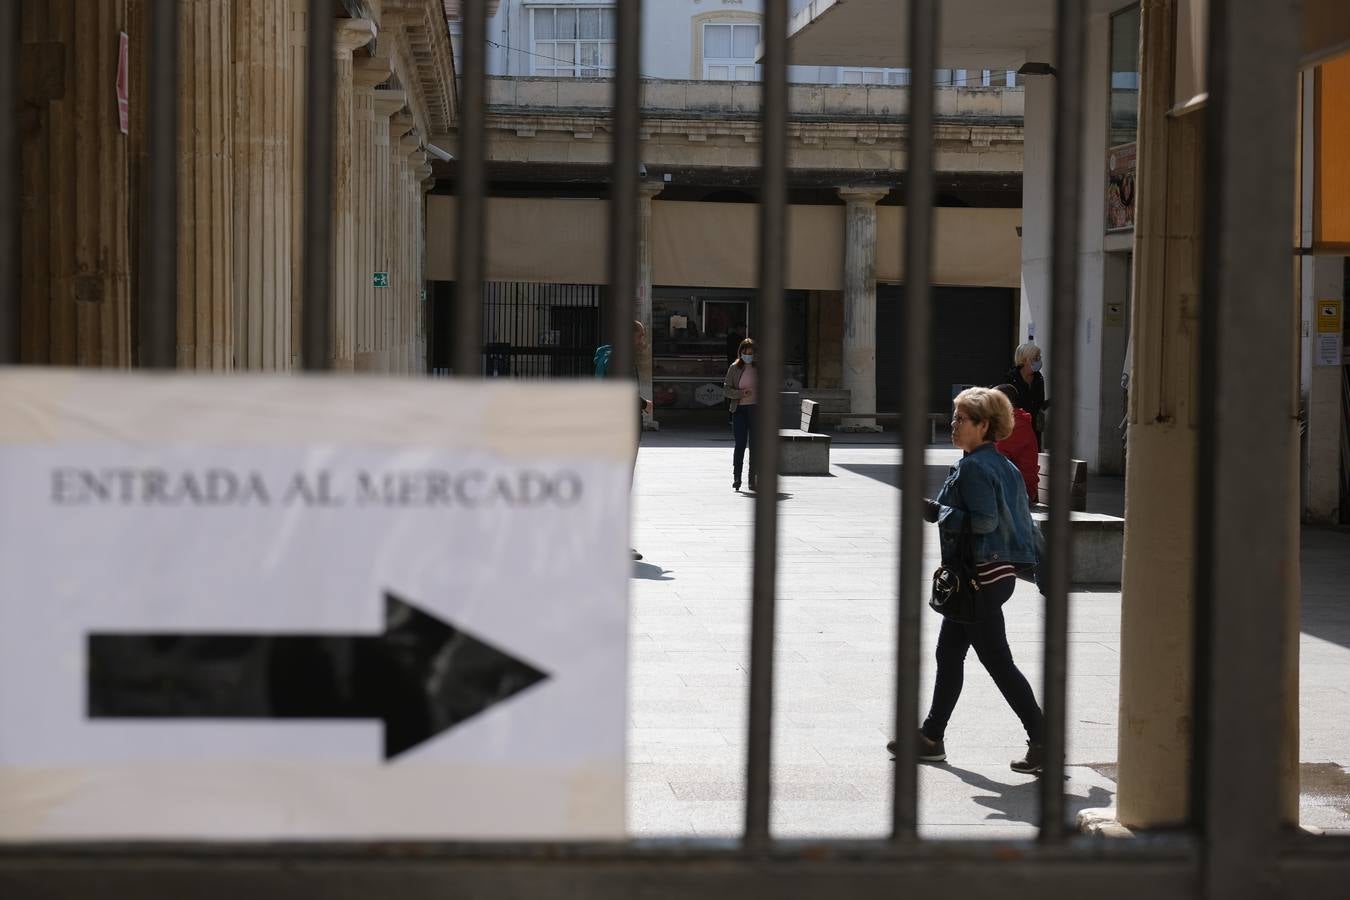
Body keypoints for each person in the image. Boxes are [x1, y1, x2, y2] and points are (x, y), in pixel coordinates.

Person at [886, 387, 1045, 774]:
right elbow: (1023, 522)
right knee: (949, 655)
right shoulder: (1000, 464)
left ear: (984, 425)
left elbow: (985, 522)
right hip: (990, 576)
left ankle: (1043, 740)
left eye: (961, 419)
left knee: (998, 663)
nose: (952, 425)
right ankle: (931, 736)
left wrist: (934, 511)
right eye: (954, 417)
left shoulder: (975, 467)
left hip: (978, 578)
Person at [994, 383, 1039, 507]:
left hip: (1020, 490)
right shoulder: (1006, 422)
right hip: (1008, 485)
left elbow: (995, 453)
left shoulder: (1016, 424)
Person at [722, 337, 758, 492]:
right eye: (745, 352)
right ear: (740, 353)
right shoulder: (734, 368)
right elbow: (726, 389)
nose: (748, 355)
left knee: (755, 447)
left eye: (750, 353)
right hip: (739, 410)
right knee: (740, 445)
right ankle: (737, 477)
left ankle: (752, 479)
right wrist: (740, 393)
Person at [1003, 341, 1049, 450]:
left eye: (1039, 357)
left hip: (1034, 427)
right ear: (1025, 359)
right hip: (1016, 426)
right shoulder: (1011, 378)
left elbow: (1039, 402)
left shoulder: (1039, 378)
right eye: (1035, 358)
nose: (1039, 361)